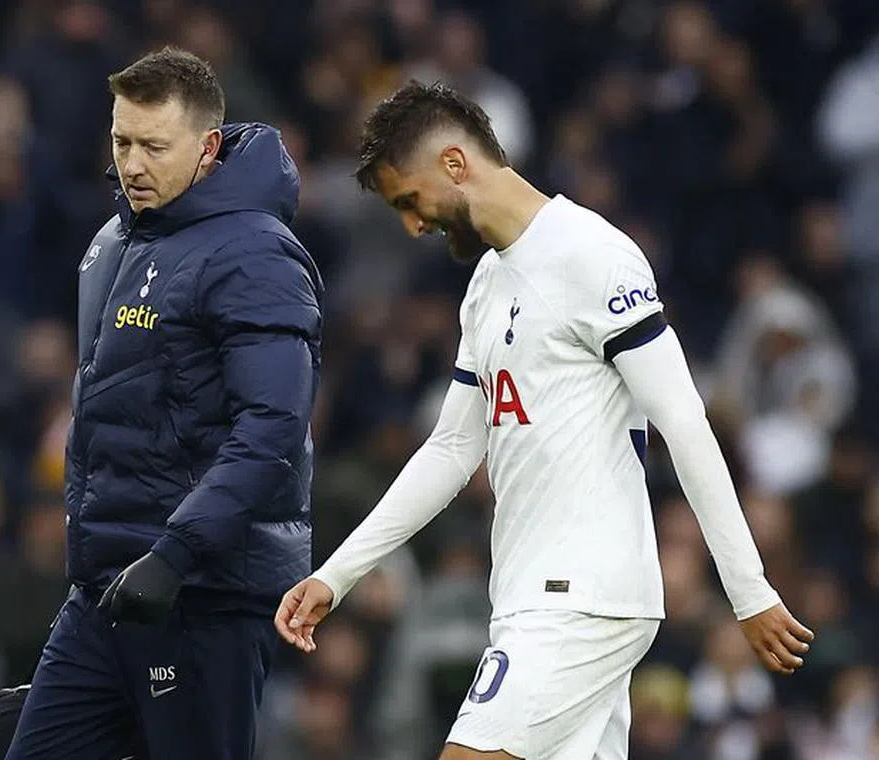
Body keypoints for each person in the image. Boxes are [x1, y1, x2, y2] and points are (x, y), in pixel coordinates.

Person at [274, 82, 814, 760]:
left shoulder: (594, 255)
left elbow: (683, 420)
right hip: (532, 597)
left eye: (410, 202)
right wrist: (337, 575)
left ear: (452, 163)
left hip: (582, 597)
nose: (414, 226)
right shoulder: (487, 285)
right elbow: (450, 450)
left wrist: (749, 592)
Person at [6, 47, 323, 760]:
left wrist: (174, 556)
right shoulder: (113, 242)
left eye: (154, 146)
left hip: (203, 595)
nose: (132, 164)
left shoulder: (255, 255)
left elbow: (270, 431)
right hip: (106, 590)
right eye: (122, 141)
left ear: (208, 147)